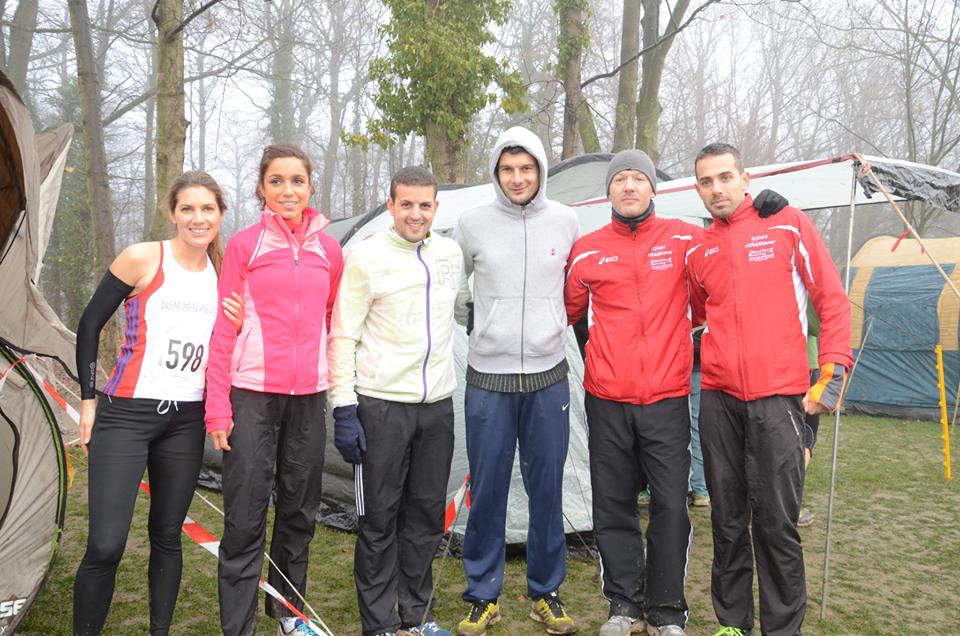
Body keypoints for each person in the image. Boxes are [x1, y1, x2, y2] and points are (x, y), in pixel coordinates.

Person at [686, 143, 852, 636]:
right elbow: (699, 313)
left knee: (777, 525)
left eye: (724, 177)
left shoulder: (787, 224)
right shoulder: (700, 248)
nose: (716, 189)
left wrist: (832, 373)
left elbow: (833, 302)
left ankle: (782, 629)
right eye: (705, 182)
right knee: (727, 521)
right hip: (718, 400)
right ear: (698, 189)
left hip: (780, 399)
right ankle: (732, 624)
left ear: (745, 178)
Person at [73, 171, 240, 635]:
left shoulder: (225, 276)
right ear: (172, 213)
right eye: (187, 208)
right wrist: (89, 401)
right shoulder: (144, 257)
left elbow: (232, 347)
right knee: (105, 545)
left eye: (207, 209)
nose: (197, 218)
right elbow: (89, 326)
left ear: (221, 215)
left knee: (168, 536)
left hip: (185, 420)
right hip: (125, 413)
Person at [204, 144, 344, 636]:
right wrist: (217, 409)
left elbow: (331, 319)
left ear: (310, 187)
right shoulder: (245, 245)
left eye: (297, 181)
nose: (288, 190)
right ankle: (238, 627)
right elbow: (223, 330)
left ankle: (288, 616)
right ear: (262, 188)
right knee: (244, 517)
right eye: (277, 181)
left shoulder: (330, 249)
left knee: (298, 514)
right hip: (251, 397)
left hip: (308, 400)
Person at [564, 149, 698, 636]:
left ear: (652, 189)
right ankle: (623, 605)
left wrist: (766, 210)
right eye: (619, 179)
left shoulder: (685, 238)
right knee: (613, 503)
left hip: (666, 397)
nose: (628, 187)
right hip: (607, 398)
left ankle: (666, 612)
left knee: (669, 505)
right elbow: (570, 310)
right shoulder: (587, 248)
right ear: (609, 192)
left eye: (637, 178)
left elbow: (718, 272)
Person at [453, 126, 578, 636]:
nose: (518, 177)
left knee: (547, 489)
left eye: (527, 168)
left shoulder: (567, 222)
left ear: (541, 170)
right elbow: (451, 284)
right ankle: (484, 595)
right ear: (496, 173)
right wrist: (478, 319)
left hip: (549, 378)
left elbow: (579, 286)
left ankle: (546, 592)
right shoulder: (472, 222)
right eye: (508, 169)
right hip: (488, 379)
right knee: (488, 490)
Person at [327, 166, 463, 636]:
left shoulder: (449, 253)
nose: (416, 213)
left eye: (425, 205)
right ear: (390, 204)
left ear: (435, 207)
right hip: (381, 407)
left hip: (437, 407)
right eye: (406, 204)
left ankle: (418, 616)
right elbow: (343, 335)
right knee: (379, 519)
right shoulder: (365, 258)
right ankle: (380, 624)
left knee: (424, 516)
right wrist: (344, 409)